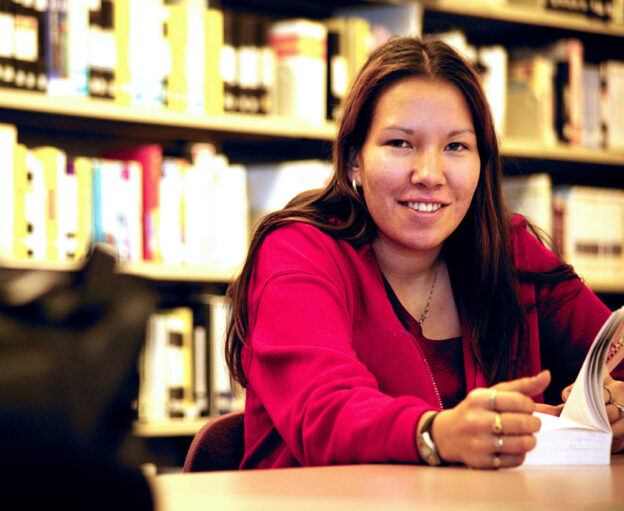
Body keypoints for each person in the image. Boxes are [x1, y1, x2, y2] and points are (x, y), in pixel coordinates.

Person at [224, 36, 624, 470]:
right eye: (400, 143)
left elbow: (614, 353)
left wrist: (616, 405)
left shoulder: (508, 250)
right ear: (355, 158)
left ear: (481, 162)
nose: (429, 174)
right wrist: (437, 434)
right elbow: (327, 413)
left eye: (456, 146)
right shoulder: (298, 251)